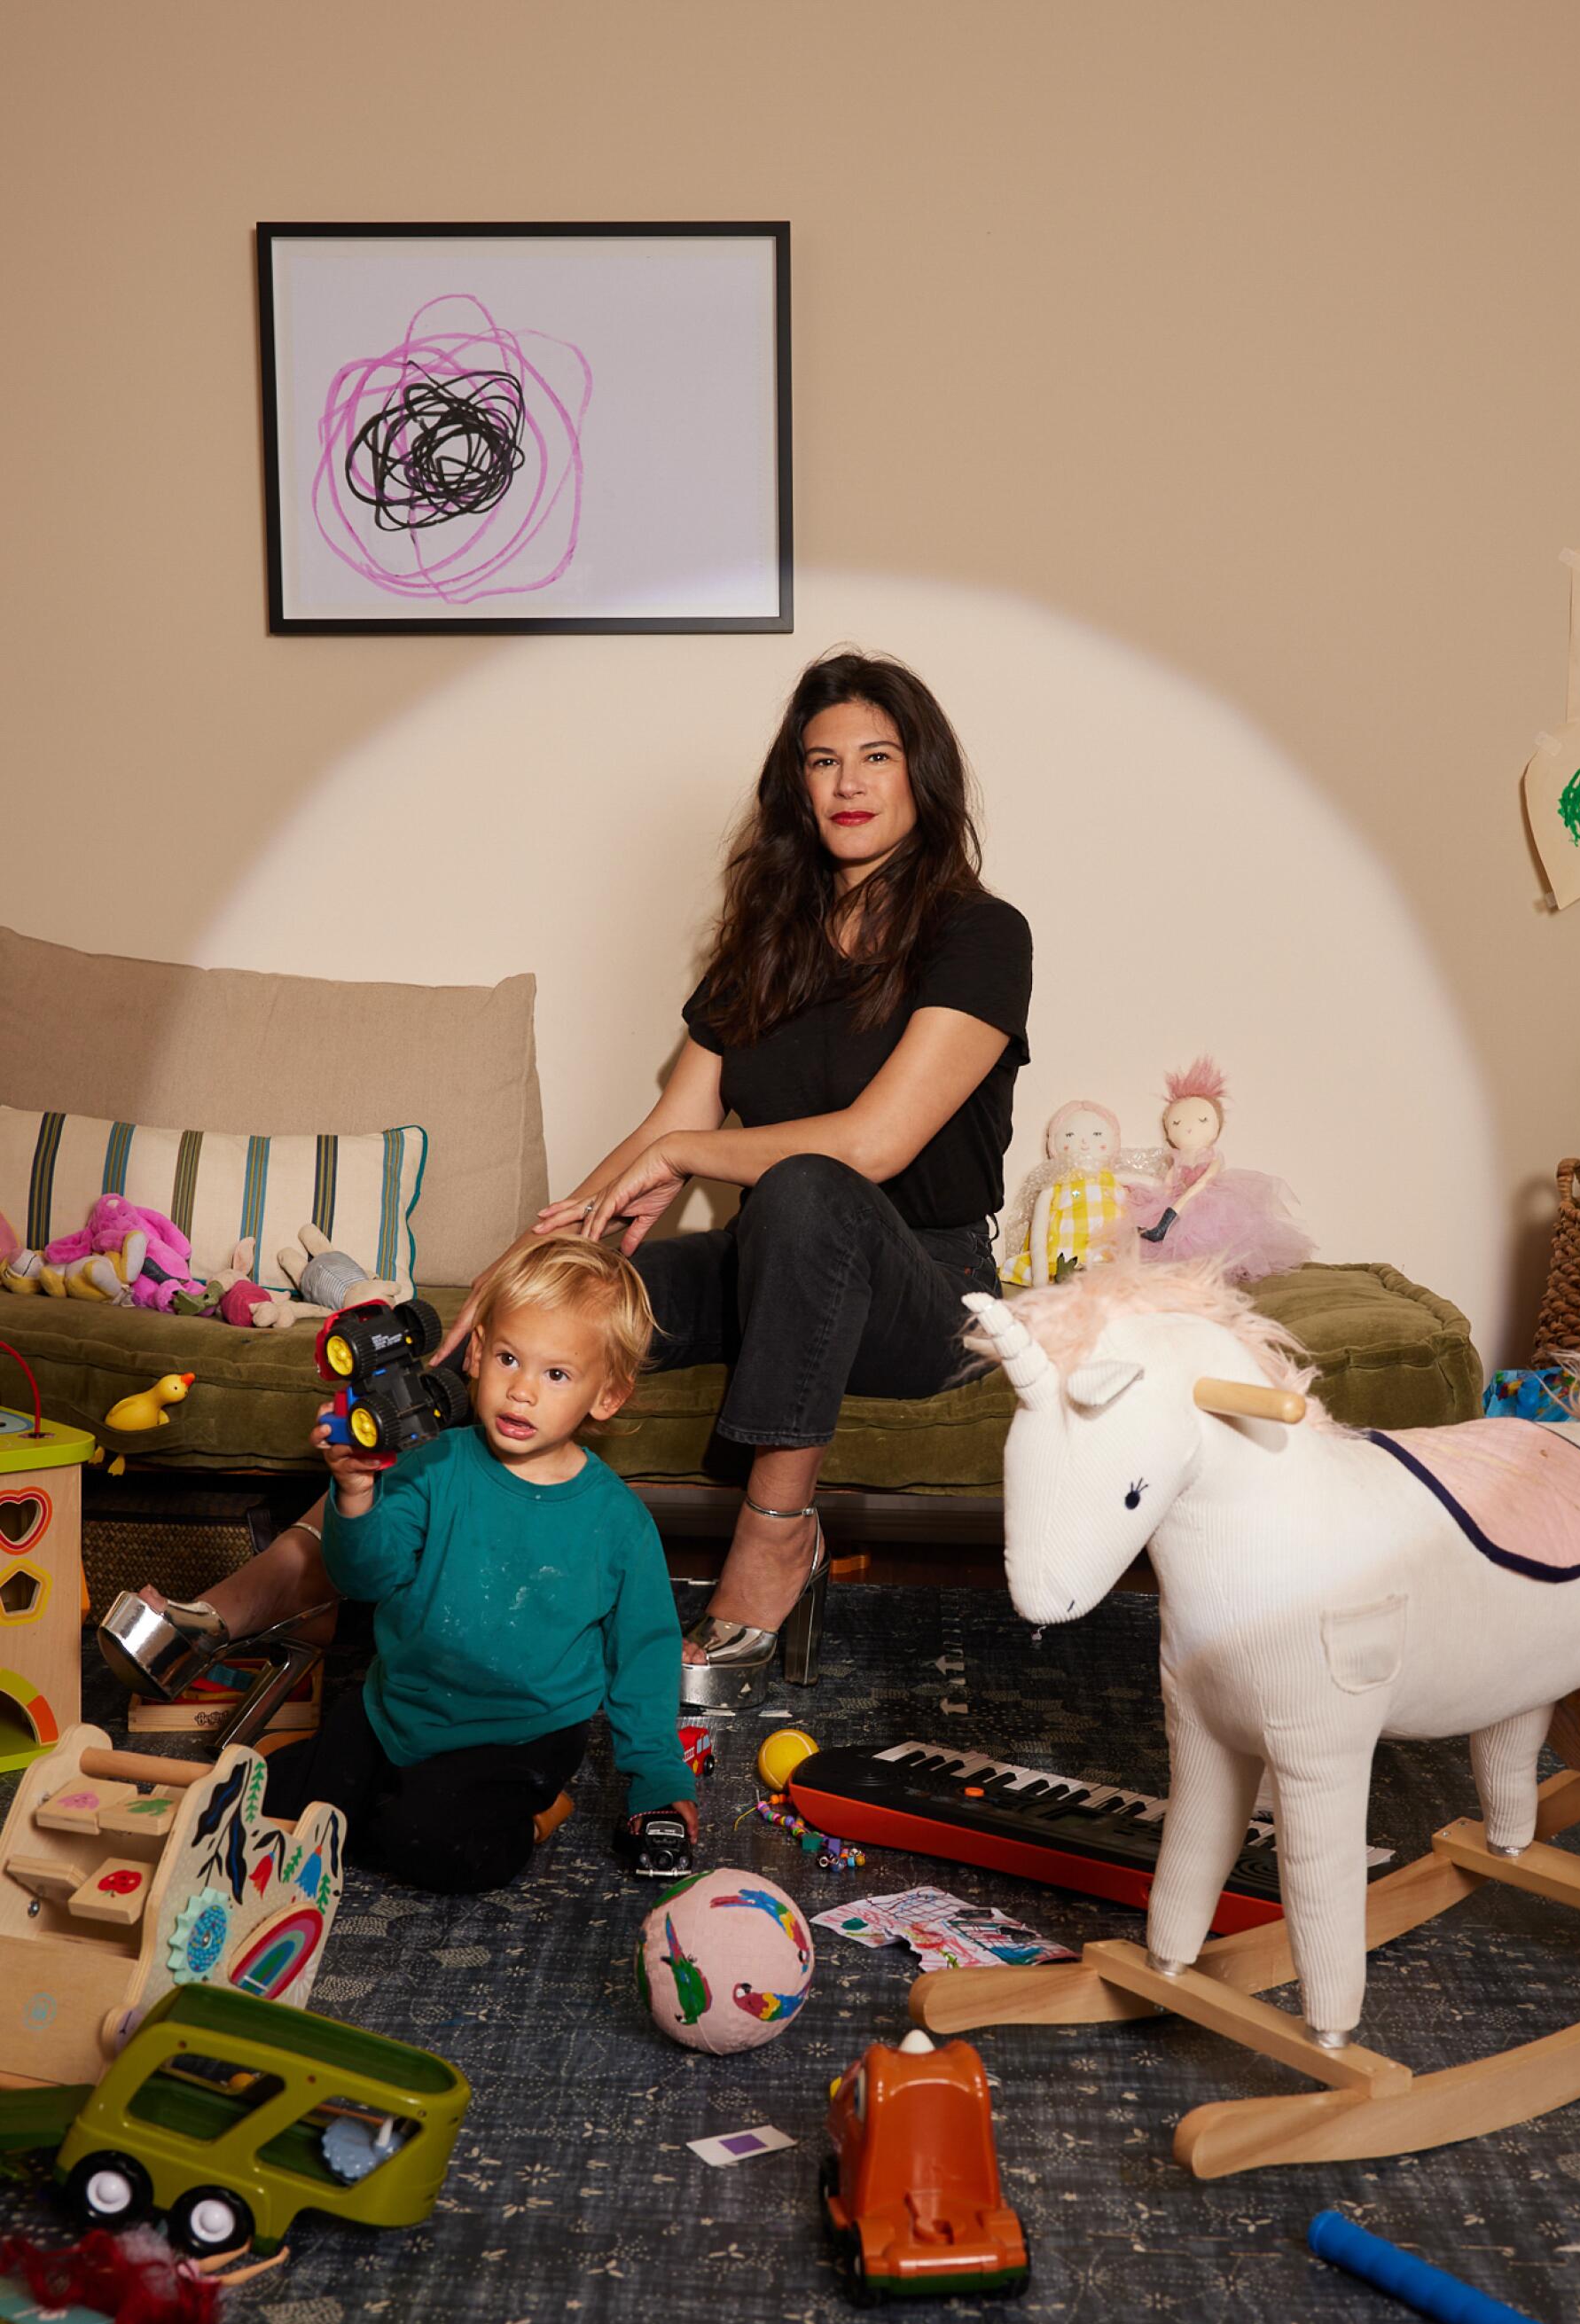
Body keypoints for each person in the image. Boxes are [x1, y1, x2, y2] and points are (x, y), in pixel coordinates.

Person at [147, 649, 1032, 1715]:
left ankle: (777, 1542)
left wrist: (680, 1158)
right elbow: (674, 1124)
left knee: (804, 1187)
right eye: (821, 761)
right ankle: (264, 1591)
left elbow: (873, 1146)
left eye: (875, 758)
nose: (846, 784)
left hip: (929, 1298)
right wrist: (534, 1268)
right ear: (794, 784)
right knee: (512, 1334)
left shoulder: (981, 933)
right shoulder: (768, 944)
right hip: (778, 1270)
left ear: (919, 776)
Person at [259, 1232, 695, 1893]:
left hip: (519, 1737)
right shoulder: (432, 1461)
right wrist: (354, 1492)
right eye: (510, 1359)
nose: (521, 1391)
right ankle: (358, 1795)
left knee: (431, 1845)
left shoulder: (618, 1521)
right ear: (479, 1353)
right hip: (397, 1709)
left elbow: (646, 1656)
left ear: (606, 1395)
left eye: (556, 1374)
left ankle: (534, 1815)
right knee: (268, 1810)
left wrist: (659, 1778)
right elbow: (362, 1579)